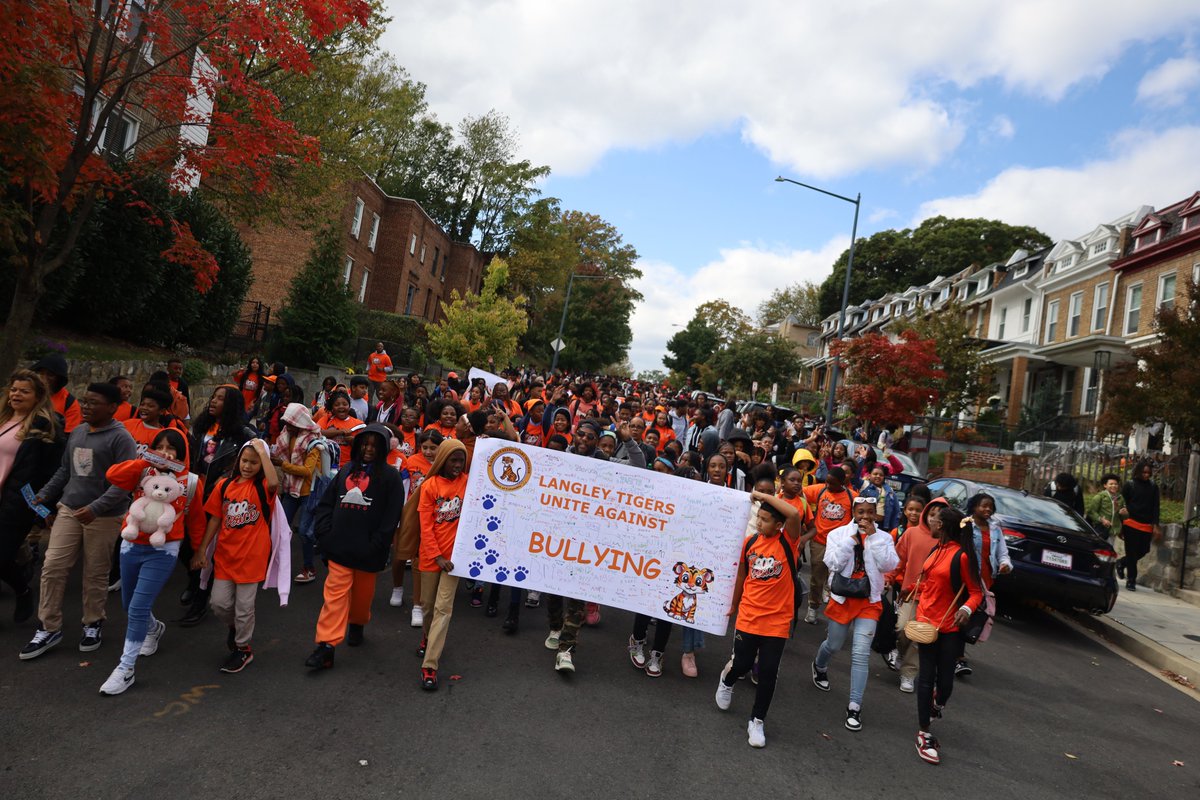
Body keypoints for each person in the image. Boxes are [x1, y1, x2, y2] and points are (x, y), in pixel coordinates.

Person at [20, 383, 137, 660]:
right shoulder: (79, 432)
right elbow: (66, 470)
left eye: (93, 402)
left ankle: (92, 622)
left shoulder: (122, 439)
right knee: (52, 567)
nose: (85, 406)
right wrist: (45, 495)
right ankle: (49, 627)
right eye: (84, 401)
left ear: (112, 407)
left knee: (95, 573)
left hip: (104, 516)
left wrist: (96, 508)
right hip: (69, 509)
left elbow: (125, 482)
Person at [99, 428, 204, 694]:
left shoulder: (190, 482)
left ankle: (126, 669)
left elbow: (197, 520)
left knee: (136, 607)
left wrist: (199, 552)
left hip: (164, 549)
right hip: (131, 544)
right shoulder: (144, 471)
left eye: (172, 449)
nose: (167, 453)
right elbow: (112, 475)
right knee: (128, 604)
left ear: (182, 453)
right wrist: (147, 460)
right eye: (161, 447)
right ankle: (153, 628)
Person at [306, 425, 405, 670]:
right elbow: (327, 503)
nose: (368, 449)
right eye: (364, 444)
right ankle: (326, 647)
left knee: (361, 601)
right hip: (339, 547)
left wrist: (377, 545)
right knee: (334, 597)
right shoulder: (347, 470)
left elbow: (391, 517)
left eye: (374, 445)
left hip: (368, 553)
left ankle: (358, 624)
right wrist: (325, 534)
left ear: (382, 448)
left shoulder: (390, 477)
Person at [714, 490, 802, 748]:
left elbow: (795, 514)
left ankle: (757, 720)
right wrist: (734, 603)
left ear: (778, 524)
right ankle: (727, 681)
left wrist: (763, 495)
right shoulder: (750, 543)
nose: (760, 523)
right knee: (741, 664)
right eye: (759, 518)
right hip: (749, 616)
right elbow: (742, 576)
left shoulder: (789, 542)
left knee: (768, 672)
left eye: (765, 519)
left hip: (777, 621)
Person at [810, 496, 899, 731]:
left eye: (870, 512)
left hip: (869, 601)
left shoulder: (884, 537)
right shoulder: (837, 535)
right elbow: (834, 565)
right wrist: (851, 542)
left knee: (860, 653)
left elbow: (889, 565)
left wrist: (873, 540)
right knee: (834, 644)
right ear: (854, 512)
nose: (865, 517)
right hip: (842, 598)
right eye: (861, 512)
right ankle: (819, 666)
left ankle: (854, 707)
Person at [192, 440, 281, 673]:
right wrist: (202, 550)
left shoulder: (263, 487)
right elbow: (215, 519)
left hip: (252, 558)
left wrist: (262, 450)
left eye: (254, 462)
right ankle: (235, 628)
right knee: (219, 604)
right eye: (244, 460)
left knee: (244, 607)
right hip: (225, 556)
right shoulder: (224, 485)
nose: (248, 466)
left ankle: (243, 648)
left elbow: (274, 482)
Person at [912, 505, 983, 766]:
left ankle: (937, 704)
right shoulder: (935, 550)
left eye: (934, 518)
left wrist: (965, 608)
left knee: (945, 684)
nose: (929, 521)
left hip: (950, 629)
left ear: (941, 526)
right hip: (925, 624)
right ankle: (924, 733)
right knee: (925, 677)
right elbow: (928, 584)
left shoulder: (961, 556)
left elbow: (976, 592)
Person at [181, 385, 257, 627]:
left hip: (219, 496)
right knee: (187, 545)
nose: (213, 401)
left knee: (209, 548)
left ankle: (200, 598)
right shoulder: (201, 427)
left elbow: (254, 462)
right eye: (213, 396)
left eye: (221, 399)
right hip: (194, 492)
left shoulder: (243, 434)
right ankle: (194, 582)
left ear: (232, 404)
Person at [0, 370, 64, 624]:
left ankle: (23, 590)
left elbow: (55, 470)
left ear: (38, 396)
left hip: (18, 502)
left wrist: (45, 507)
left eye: (24, 391)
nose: (16, 394)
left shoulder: (45, 426)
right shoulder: (3, 417)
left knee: (2, 557)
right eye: (14, 389)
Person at [416, 439, 469, 690]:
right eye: (453, 460)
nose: (458, 465)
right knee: (427, 607)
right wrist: (437, 556)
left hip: (455, 561)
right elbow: (425, 526)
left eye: (462, 460)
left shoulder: (469, 483)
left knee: (443, 609)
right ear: (443, 461)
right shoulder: (429, 486)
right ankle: (427, 637)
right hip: (430, 557)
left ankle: (430, 666)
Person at [890, 497, 945, 693]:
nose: (934, 520)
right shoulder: (911, 533)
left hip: (933, 599)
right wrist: (888, 578)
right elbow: (898, 559)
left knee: (920, 636)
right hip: (909, 593)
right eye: (931, 515)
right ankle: (899, 650)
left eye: (939, 517)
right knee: (903, 627)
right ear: (925, 514)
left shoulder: (948, 541)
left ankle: (909, 673)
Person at [392, 430, 444, 624]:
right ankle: (397, 588)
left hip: (431, 518)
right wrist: (399, 514)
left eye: (433, 448)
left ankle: (417, 605)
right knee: (399, 554)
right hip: (409, 515)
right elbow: (403, 486)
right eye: (425, 447)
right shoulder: (411, 461)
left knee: (419, 561)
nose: (429, 452)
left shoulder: (443, 465)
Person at [271, 403, 324, 584]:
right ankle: (278, 566)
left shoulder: (314, 442)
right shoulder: (285, 435)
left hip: (308, 492)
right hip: (290, 489)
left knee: (304, 532)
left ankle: (309, 568)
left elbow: (308, 471)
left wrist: (282, 465)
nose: (288, 425)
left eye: (291, 422)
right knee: (280, 529)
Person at [800, 466, 856, 625]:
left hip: (840, 546)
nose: (828, 486)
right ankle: (813, 606)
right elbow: (800, 493)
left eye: (832, 484)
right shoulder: (820, 490)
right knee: (817, 577)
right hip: (819, 541)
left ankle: (833, 613)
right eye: (827, 482)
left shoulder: (852, 497)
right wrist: (806, 519)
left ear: (842, 483)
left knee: (837, 579)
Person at [1119, 460, 1160, 592]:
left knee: (1143, 551)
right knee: (1132, 553)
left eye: (1149, 472)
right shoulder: (1129, 485)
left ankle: (1121, 563)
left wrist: (1156, 525)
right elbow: (1121, 503)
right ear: (1138, 471)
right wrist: (1120, 524)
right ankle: (1131, 580)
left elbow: (1156, 507)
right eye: (1144, 472)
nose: (1147, 475)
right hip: (1130, 523)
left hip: (1146, 524)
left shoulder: (1153, 486)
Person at [32, 354, 82, 433]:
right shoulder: (28, 395)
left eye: (50, 375)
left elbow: (69, 435)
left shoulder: (70, 403)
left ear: (59, 378)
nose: (44, 379)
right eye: (41, 373)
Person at [321, 390, 365, 466]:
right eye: (337, 405)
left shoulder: (359, 424)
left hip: (349, 465)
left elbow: (364, 446)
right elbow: (318, 432)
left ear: (349, 406)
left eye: (345, 404)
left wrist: (354, 441)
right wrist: (339, 432)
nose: (341, 406)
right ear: (332, 408)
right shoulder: (327, 419)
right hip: (327, 465)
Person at [858, 463, 900, 531]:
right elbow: (854, 478)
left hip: (882, 526)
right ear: (869, 475)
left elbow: (896, 512)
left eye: (881, 475)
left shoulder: (889, 491)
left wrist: (894, 530)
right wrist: (862, 458)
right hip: (865, 523)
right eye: (875, 474)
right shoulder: (864, 485)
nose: (878, 476)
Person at [1086, 473, 1127, 543]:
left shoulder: (1120, 498)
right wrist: (1101, 520)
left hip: (1113, 531)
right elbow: (1091, 512)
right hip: (1101, 530)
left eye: (1116, 484)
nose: (1114, 486)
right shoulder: (1099, 497)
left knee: (1108, 551)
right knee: (1100, 551)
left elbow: (1124, 517)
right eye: (1111, 484)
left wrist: (1125, 513)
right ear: (1105, 485)